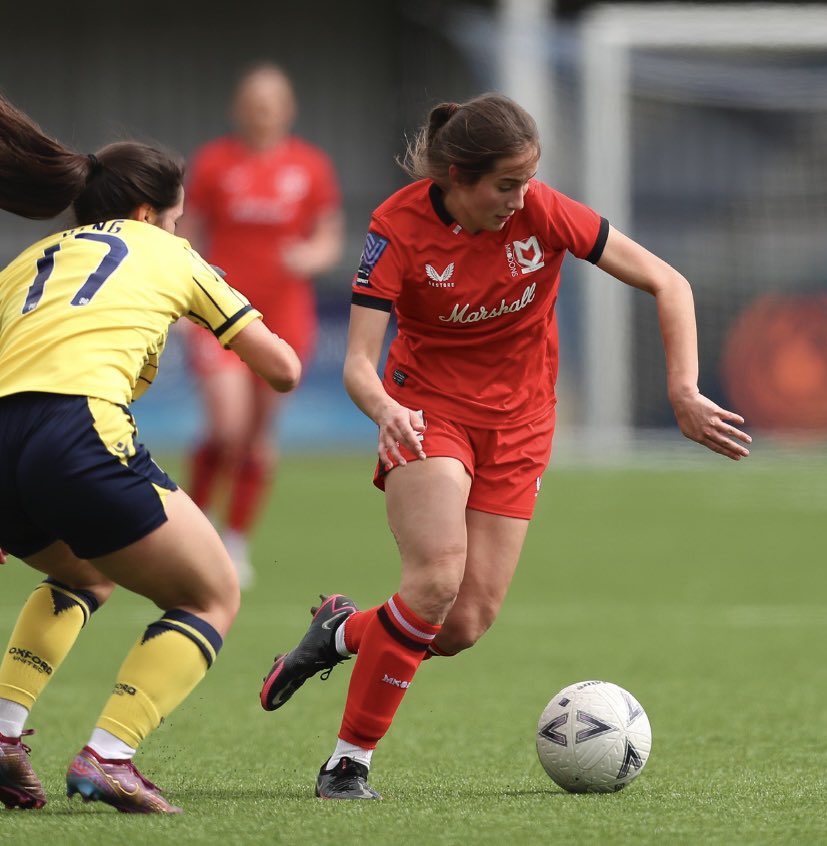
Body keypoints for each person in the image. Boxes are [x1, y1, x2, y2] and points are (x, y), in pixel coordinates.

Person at [259, 93, 752, 800]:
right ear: (457, 177)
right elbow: (358, 365)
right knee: (434, 582)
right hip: (427, 412)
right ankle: (348, 763)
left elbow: (667, 282)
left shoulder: (543, 212)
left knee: (460, 624)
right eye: (506, 185)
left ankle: (339, 633)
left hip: (521, 425)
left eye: (527, 182)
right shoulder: (395, 227)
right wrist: (386, 409)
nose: (521, 200)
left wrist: (683, 388)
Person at [0, 94, 301, 813]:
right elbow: (283, 369)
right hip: (75, 429)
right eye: (175, 217)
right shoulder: (167, 251)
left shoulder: (28, 260)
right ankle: (111, 754)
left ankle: (5, 733)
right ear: (145, 215)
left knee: (86, 573)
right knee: (212, 591)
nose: (178, 229)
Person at [182, 62, 342, 587]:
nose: (262, 111)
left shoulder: (311, 167)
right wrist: (182, 300)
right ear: (238, 108)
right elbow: (187, 234)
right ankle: (193, 525)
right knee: (225, 425)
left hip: (285, 316)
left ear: (287, 109)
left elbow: (329, 238)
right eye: (253, 101)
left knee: (256, 437)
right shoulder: (213, 163)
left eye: (271, 102)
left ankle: (237, 542)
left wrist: (309, 257)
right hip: (220, 313)